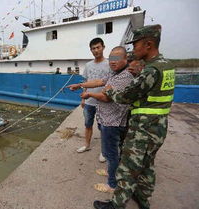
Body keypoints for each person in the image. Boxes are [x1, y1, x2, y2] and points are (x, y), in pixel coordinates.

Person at [93, 24, 175, 209]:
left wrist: (111, 91)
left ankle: (116, 205)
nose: (133, 48)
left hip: (143, 129)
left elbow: (126, 96)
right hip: (159, 127)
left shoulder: (150, 71)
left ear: (148, 44)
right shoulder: (165, 66)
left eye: (136, 44)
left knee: (127, 168)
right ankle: (143, 198)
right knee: (147, 165)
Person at [69, 46, 134, 193]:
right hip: (106, 119)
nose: (113, 62)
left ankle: (112, 185)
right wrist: (80, 85)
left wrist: (90, 95)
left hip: (113, 121)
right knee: (110, 152)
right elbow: (99, 81)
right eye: (111, 59)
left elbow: (106, 97)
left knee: (111, 153)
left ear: (125, 59)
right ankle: (112, 172)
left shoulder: (125, 76)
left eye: (117, 59)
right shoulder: (115, 73)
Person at [75, 38, 110, 162]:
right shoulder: (88, 65)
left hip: (103, 102)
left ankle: (104, 151)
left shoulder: (109, 64)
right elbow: (85, 82)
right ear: (91, 50)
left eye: (98, 47)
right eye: (93, 48)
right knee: (88, 125)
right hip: (89, 102)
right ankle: (87, 145)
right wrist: (83, 98)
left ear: (103, 47)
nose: (96, 50)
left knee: (103, 128)